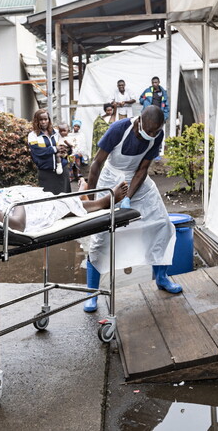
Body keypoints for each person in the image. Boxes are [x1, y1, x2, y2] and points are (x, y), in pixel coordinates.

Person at [83, 105, 181, 313]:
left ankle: (162, 277)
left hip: (138, 182)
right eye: (150, 130)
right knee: (100, 236)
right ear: (139, 122)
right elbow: (96, 164)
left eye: (157, 131)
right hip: (111, 179)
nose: (153, 135)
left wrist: (128, 197)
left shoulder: (157, 134)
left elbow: (143, 169)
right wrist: (91, 201)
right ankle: (92, 293)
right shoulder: (119, 129)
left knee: (161, 224)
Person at [0, 178, 128, 233]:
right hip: (15, 206)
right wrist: (20, 202)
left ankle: (81, 198)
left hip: (2, 195)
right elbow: (16, 226)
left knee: (50, 195)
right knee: (56, 203)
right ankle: (102, 202)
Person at [29, 109, 70, 194]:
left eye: (46, 119)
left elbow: (64, 148)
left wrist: (67, 149)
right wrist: (55, 149)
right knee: (49, 201)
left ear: (49, 120)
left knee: (65, 200)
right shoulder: (33, 135)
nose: (44, 122)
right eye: (41, 120)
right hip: (46, 173)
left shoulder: (56, 133)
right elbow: (38, 152)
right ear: (36, 121)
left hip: (62, 170)